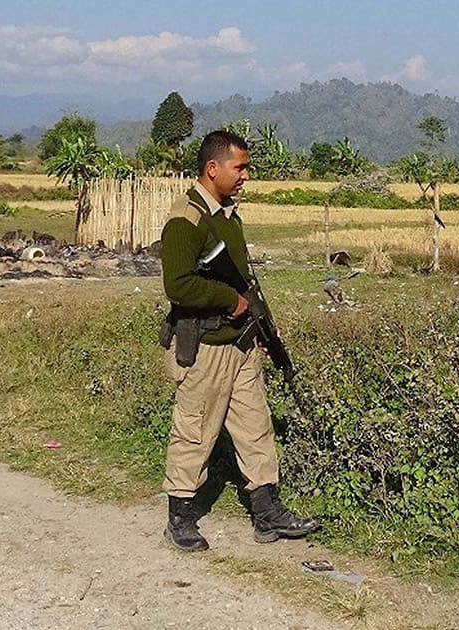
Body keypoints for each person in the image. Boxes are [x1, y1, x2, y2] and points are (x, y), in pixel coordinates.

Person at [159, 130, 319, 552]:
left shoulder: (228, 216)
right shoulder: (187, 219)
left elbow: (244, 282)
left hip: (240, 345)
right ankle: (180, 518)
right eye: (240, 167)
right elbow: (177, 285)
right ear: (213, 169)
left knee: (255, 429)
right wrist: (227, 299)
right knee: (195, 431)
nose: (246, 175)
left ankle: (267, 514)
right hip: (206, 346)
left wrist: (262, 325)